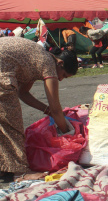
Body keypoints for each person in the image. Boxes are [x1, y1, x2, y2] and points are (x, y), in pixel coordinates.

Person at [0, 37, 78, 183]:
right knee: (12, 124)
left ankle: (4, 168)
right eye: (63, 76)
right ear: (60, 63)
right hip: (2, 74)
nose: (60, 80)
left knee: (2, 123)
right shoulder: (48, 63)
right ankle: (20, 172)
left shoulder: (37, 58)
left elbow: (23, 93)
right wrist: (67, 131)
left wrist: (46, 110)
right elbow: (56, 109)